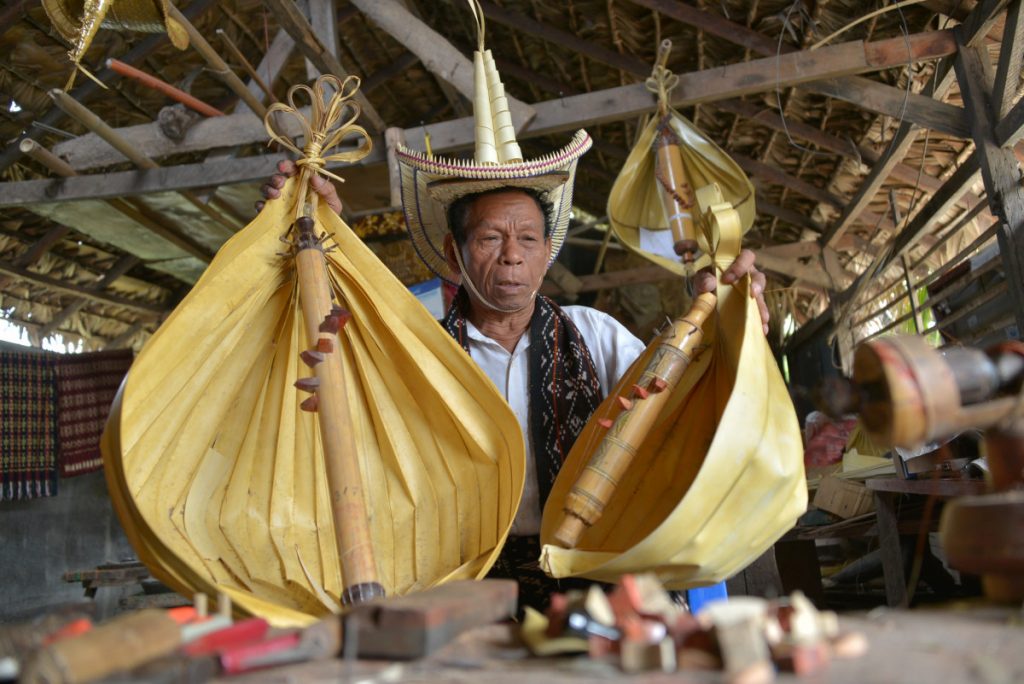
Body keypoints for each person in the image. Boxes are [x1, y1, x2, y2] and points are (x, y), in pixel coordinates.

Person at [261, 160, 770, 608]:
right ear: (453, 251)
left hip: (599, 574)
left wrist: (732, 332)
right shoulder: (420, 358)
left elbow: (681, 416)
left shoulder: (596, 336)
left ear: (547, 251)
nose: (511, 256)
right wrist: (309, 223)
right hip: (466, 582)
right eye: (489, 238)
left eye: (528, 239)